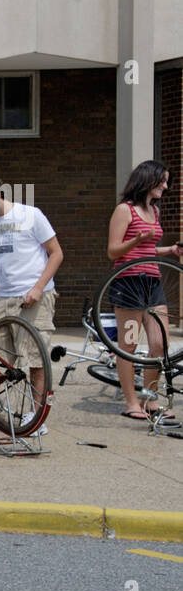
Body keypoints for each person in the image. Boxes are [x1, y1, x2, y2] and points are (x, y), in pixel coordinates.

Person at [0, 171, 63, 431]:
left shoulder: (30, 215)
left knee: (34, 358)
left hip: (35, 295)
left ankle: (36, 416)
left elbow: (56, 254)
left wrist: (38, 287)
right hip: (4, 297)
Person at [105, 159, 181, 422]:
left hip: (153, 283)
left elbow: (146, 250)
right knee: (129, 344)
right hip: (128, 284)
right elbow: (113, 251)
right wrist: (136, 239)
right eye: (163, 180)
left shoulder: (154, 211)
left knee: (160, 343)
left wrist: (169, 250)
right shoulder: (125, 210)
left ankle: (150, 398)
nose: (165, 186)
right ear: (148, 180)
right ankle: (131, 401)